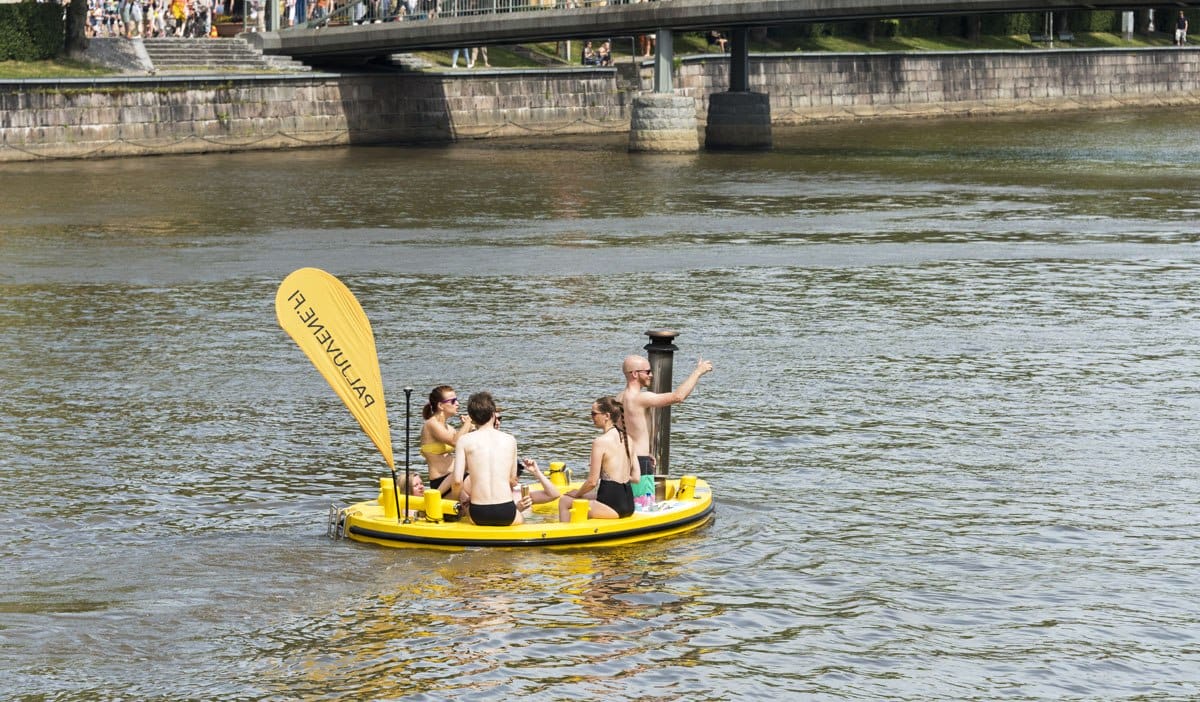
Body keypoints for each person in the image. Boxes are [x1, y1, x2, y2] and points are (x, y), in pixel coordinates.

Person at [617, 354, 713, 477]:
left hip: (625, 459)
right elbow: (678, 396)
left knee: (628, 496)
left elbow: (621, 431)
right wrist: (698, 372)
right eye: (647, 372)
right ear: (635, 374)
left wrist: (643, 452)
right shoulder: (640, 398)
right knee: (642, 497)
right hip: (640, 463)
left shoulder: (619, 397)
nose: (651, 375)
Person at [557, 396, 636, 521]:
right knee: (585, 497)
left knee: (565, 501)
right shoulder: (628, 439)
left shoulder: (600, 442)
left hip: (611, 506)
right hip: (629, 504)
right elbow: (636, 477)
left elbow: (592, 482)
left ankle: (564, 537)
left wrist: (577, 494)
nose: (591, 417)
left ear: (607, 416)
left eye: (594, 414)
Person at [454, 392, 523, 527]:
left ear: (472, 418)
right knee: (522, 519)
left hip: (479, 512)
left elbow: (457, 482)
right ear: (493, 415)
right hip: (506, 510)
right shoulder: (510, 440)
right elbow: (513, 479)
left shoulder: (464, 441)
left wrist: (462, 500)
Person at [419, 385, 474, 499]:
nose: (457, 403)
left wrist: (470, 429)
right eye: (453, 401)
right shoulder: (431, 424)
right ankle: (435, 498)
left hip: (456, 478)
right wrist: (467, 423)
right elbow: (455, 442)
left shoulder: (449, 428)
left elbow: (465, 445)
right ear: (440, 405)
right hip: (441, 483)